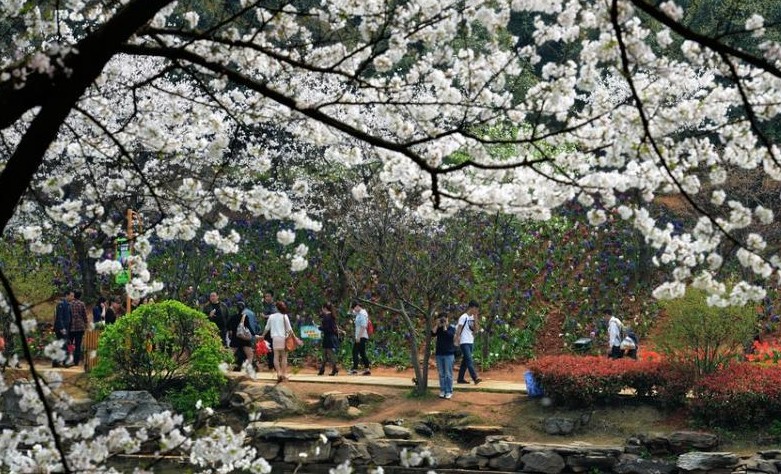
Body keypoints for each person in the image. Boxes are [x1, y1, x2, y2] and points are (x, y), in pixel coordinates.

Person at [260, 301, 294, 382]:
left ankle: (278, 373)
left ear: (276, 308)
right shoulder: (284, 316)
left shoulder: (271, 316)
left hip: (275, 338)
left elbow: (267, 328)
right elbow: (289, 329)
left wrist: (262, 335)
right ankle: (284, 374)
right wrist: (294, 338)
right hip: (283, 338)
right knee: (284, 357)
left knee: (276, 356)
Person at [455, 300, 482, 385]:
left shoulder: (472, 318)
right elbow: (459, 329)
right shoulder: (463, 317)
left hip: (470, 341)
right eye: (476, 309)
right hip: (464, 341)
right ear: (472, 308)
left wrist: (476, 318)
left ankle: (460, 378)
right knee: (469, 360)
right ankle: (475, 377)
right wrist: (457, 339)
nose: (477, 311)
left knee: (465, 361)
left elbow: (476, 330)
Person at [432, 312, 456, 399]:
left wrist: (445, 326)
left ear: (447, 319)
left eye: (444, 319)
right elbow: (432, 333)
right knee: (441, 374)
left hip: (449, 354)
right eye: (441, 319)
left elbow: (449, 336)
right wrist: (437, 325)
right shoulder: (438, 328)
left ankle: (449, 391)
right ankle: (442, 390)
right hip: (439, 354)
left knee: (448, 374)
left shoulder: (451, 328)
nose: (443, 321)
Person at [229, 301, 256, 370]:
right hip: (244, 339)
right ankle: (247, 370)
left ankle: (226, 369)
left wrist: (231, 332)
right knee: (250, 355)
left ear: (236, 308)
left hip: (235, 338)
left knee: (229, 355)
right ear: (244, 308)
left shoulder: (233, 317)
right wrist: (254, 335)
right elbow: (248, 327)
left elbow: (228, 326)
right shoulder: (245, 317)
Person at [317, 302, 340, 376]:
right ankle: (322, 369)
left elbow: (326, 328)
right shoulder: (332, 316)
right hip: (331, 337)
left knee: (329, 354)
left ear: (324, 308)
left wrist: (319, 327)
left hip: (328, 337)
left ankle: (334, 369)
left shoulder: (327, 317)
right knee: (326, 353)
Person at [349, 301, 371, 375]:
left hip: (361, 336)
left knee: (355, 351)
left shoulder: (362, 314)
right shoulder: (359, 312)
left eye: (354, 308)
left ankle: (354, 369)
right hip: (362, 336)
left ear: (358, 306)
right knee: (362, 353)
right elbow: (351, 312)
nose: (354, 310)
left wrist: (358, 337)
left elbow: (363, 326)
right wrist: (351, 305)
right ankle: (367, 369)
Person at [53, 290, 74, 367]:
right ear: (67, 295)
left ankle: (55, 362)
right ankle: (66, 362)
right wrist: (62, 328)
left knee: (61, 345)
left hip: (66, 328)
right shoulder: (61, 304)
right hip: (61, 328)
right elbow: (59, 317)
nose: (73, 297)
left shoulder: (68, 304)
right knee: (64, 345)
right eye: (71, 296)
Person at [69, 290, 88, 367]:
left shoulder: (69, 304)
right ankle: (76, 361)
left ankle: (69, 359)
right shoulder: (81, 304)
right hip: (80, 327)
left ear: (74, 296)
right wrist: (86, 323)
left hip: (71, 327)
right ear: (80, 296)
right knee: (78, 345)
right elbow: (84, 315)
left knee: (69, 344)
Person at [261, 290, 276, 370]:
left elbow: (274, 314)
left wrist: (265, 316)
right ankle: (271, 364)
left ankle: (272, 365)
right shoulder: (266, 305)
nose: (266, 298)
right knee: (268, 346)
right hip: (267, 328)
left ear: (272, 297)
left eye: (268, 296)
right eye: (266, 296)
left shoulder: (273, 305)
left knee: (271, 346)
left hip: (272, 329)